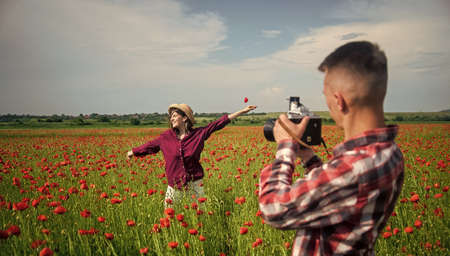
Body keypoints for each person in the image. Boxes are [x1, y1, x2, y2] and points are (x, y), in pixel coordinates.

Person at [258, 41, 404, 255]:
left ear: (339, 100)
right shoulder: (390, 152)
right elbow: (338, 197)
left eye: (325, 96)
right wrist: (309, 158)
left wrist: (285, 146)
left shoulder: (355, 168)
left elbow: (274, 209)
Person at [128, 104, 256, 206]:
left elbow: (218, 124)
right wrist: (133, 152)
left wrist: (242, 111)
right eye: (170, 116)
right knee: (169, 219)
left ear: (184, 118)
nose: (171, 118)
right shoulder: (166, 137)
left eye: (174, 115)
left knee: (200, 215)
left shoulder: (198, 134)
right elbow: (149, 146)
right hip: (174, 185)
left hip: (194, 183)